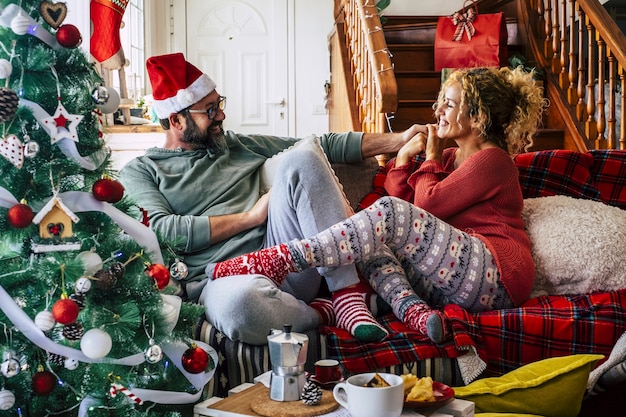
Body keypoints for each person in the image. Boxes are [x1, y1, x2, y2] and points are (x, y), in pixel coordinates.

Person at [206, 66, 548, 343]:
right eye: (440, 101)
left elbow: (424, 208)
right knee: (372, 236)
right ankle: (410, 308)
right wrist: (401, 159)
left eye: (449, 104)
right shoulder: (450, 157)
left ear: (478, 117)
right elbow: (399, 213)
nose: (437, 110)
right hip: (451, 281)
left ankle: (283, 258)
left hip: (496, 274)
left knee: (382, 221)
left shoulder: (494, 161)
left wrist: (427, 158)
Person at [119, 52, 426, 345]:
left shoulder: (235, 145)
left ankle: (347, 295)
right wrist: (249, 217)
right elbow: (161, 230)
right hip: (219, 281)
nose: (221, 115)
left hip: (285, 257)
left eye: (219, 104)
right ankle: (322, 312)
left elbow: (320, 144)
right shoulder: (142, 171)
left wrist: (399, 139)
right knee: (241, 307)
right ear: (176, 121)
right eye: (209, 110)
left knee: (303, 156)